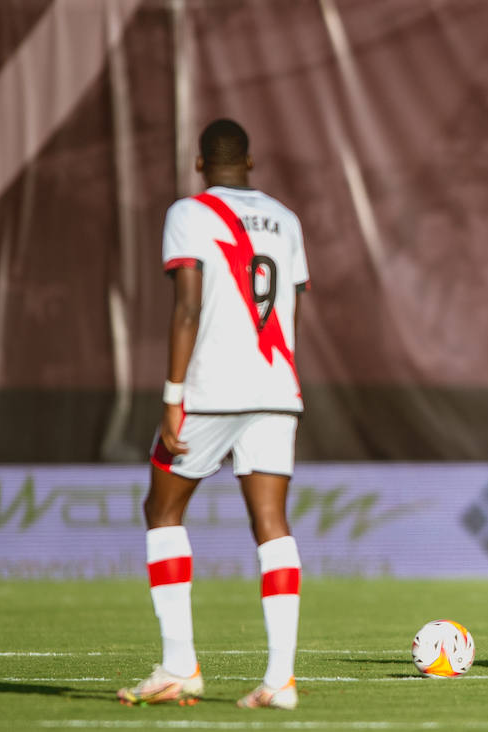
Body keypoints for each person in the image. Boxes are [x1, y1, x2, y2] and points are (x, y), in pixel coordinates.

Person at [117, 119, 310, 709]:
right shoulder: (286, 218)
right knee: (272, 522)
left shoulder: (188, 213)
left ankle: (180, 664)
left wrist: (173, 396)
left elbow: (187, 308)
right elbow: (293, 303)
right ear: (249, 162)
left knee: (162, 509)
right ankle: (280, 681)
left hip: (211, 388)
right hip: (277, 386)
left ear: (199, 164)